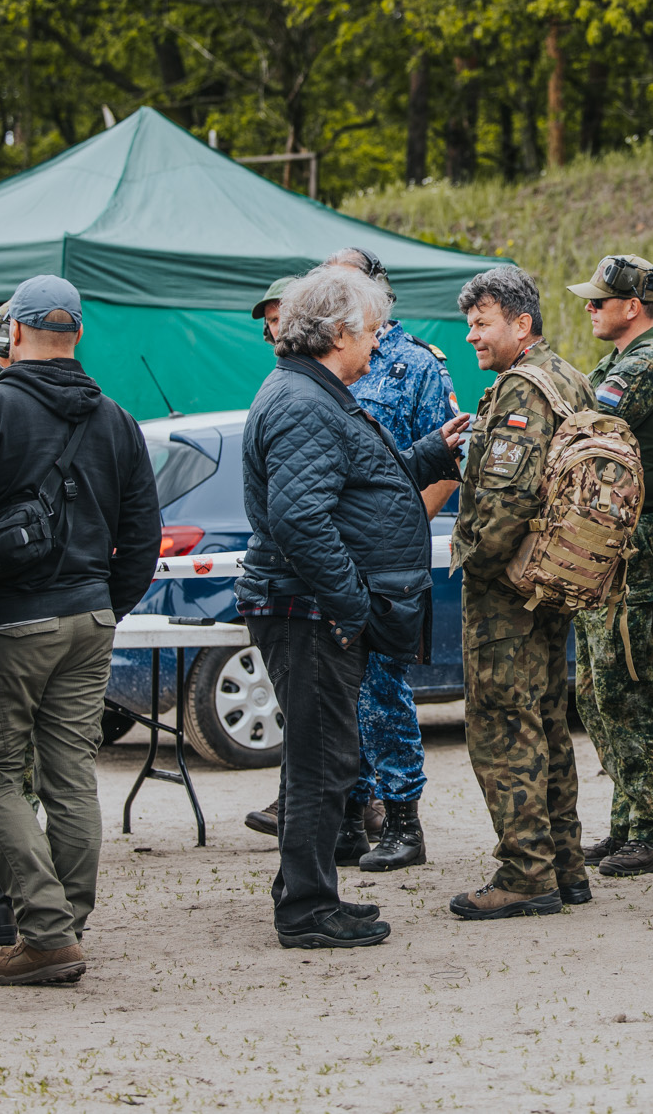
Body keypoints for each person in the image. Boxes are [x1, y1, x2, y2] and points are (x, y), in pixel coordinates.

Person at [235, 266, 464, 948]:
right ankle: (306, 909)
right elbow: (301, 517)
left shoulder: (316, 393)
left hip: (312, 607)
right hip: (309, 611)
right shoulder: (305, 402)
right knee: (324, 759)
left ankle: (306, 890)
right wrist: (352, 605)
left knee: (321, 755)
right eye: (369, 330)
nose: (376, 342)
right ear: (337, 333)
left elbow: (357, 482)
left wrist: (429, 452)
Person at [0, 276, 161, 985]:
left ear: (13, 332)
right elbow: (143, 537)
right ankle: (67, 923)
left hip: (9, 621)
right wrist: (107, 604)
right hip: (90, 617)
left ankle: (44, 932)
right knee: (72, 772)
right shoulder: (119, 419)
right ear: (77, 336)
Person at [447, 266, 595, 920]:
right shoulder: (569, 376)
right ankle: (565, 865)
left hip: (509, 586)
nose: (472, 335)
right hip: (555, 576)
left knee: (503, 725)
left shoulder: (519, 388)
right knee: (545, 721)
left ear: (521, 323)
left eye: (482, 321)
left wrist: (474, 566)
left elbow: (505, 499)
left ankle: (525, 872)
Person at [329, 247, 457, 871]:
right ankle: (351, 818)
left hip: (387, 559)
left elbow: (447, 461)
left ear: (379, 293)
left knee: (383, 687)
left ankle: (403, 822)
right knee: (338, 688)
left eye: (346, 284)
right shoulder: (327, 359)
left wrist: (401, 527)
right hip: (333, 556)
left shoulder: (416, 366)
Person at [564, 255, 653, 878]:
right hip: (608, 541)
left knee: (627, 685)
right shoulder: (618, 362)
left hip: (636, 542)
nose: (589, 308)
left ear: (632, 306)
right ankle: (629, 823)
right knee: (595, 690)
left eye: (598, 301)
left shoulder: (649, 362)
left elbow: (584, 424)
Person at [241, 272, 299, 842]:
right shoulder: (289, 392)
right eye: (269, 322)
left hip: (292, 581)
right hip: (288, 584)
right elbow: (297, 517)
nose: (274, 329)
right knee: (312, 723)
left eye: (281, 316)